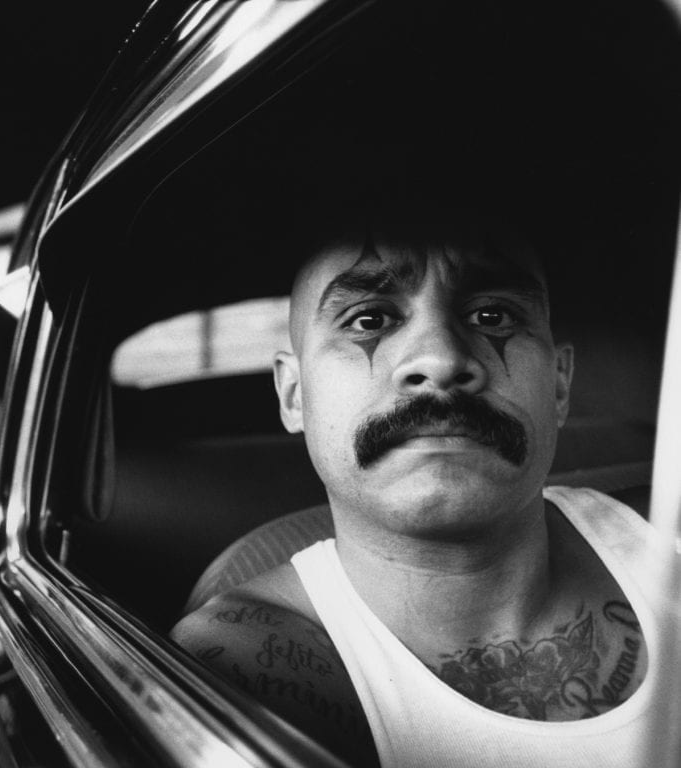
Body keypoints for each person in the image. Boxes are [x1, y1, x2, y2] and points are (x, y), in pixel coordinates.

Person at [170, 199, 661, 768]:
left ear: (559, 384)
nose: (441, 359)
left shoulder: (666, 531)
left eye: (493, 316)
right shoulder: (245, 662)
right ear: (294, 394)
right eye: (370, 319)